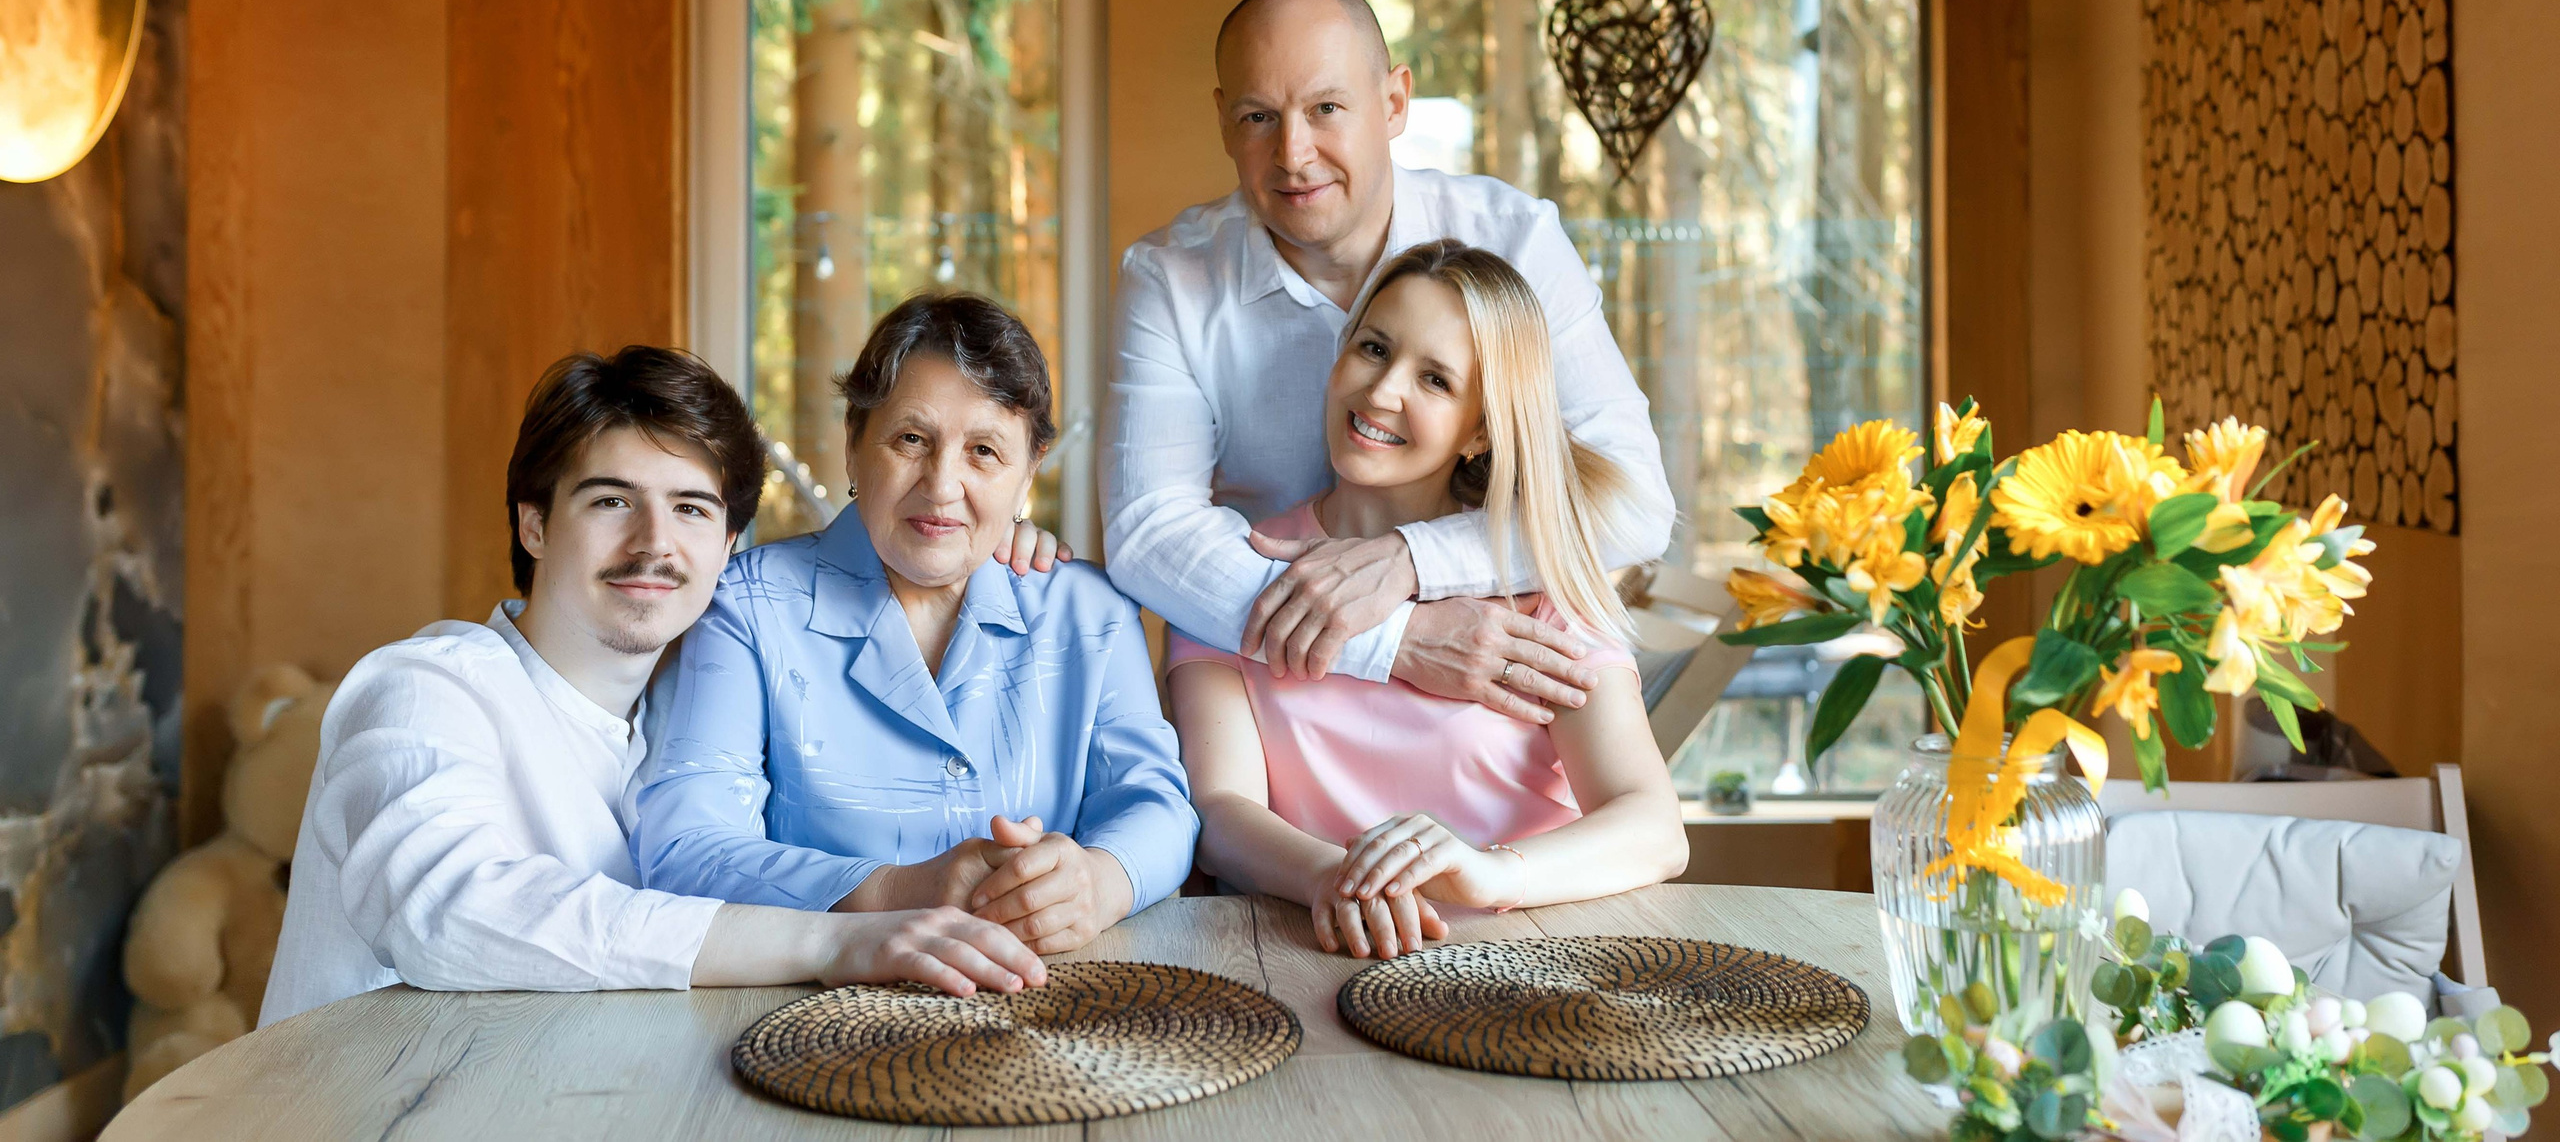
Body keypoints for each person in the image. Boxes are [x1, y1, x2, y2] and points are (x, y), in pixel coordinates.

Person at [262, 347, 1044, 1026]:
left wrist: (986, 544)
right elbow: (447, 910)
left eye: (692, 509)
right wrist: (834, 938)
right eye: (611, 500)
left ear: (729, 547)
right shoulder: (425, 689)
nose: (654, 544)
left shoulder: (684, 729)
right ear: (533, 524)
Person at [1105, 0, 1678, 724]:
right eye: (1258, 116)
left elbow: (1633, 498)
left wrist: (1412, 560)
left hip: (1488, 683)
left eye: (1326, 109)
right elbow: (1149, 531)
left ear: (1395, 103)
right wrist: (1397, 634)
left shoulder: (1516, 240)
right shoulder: (1170, 278)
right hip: (1270, 703)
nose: (1293, 153)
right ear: (1222, 120)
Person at [1169, 241, 1688, 957]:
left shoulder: (1540, 579)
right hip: (1312, 955)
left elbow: (1655, 826)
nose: (1382, 392)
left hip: (1536, 963)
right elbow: (1222, 812)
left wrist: (1484, 872)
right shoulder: (1233, 568)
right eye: (1374, 348)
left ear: (1481, 429)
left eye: (1436, 379)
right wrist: (1339, 879)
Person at [635, 294, 1197, 954]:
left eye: (984, 451)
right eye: (911, 438)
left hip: (1048, 998)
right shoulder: (750, 606)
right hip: (807, 1010)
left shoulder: (1089, 611)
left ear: (1029, 474)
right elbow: (684, 848)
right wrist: (900, 891)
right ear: (853, 443)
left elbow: (1160, 804)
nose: (941, 483)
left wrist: (1097, 883)